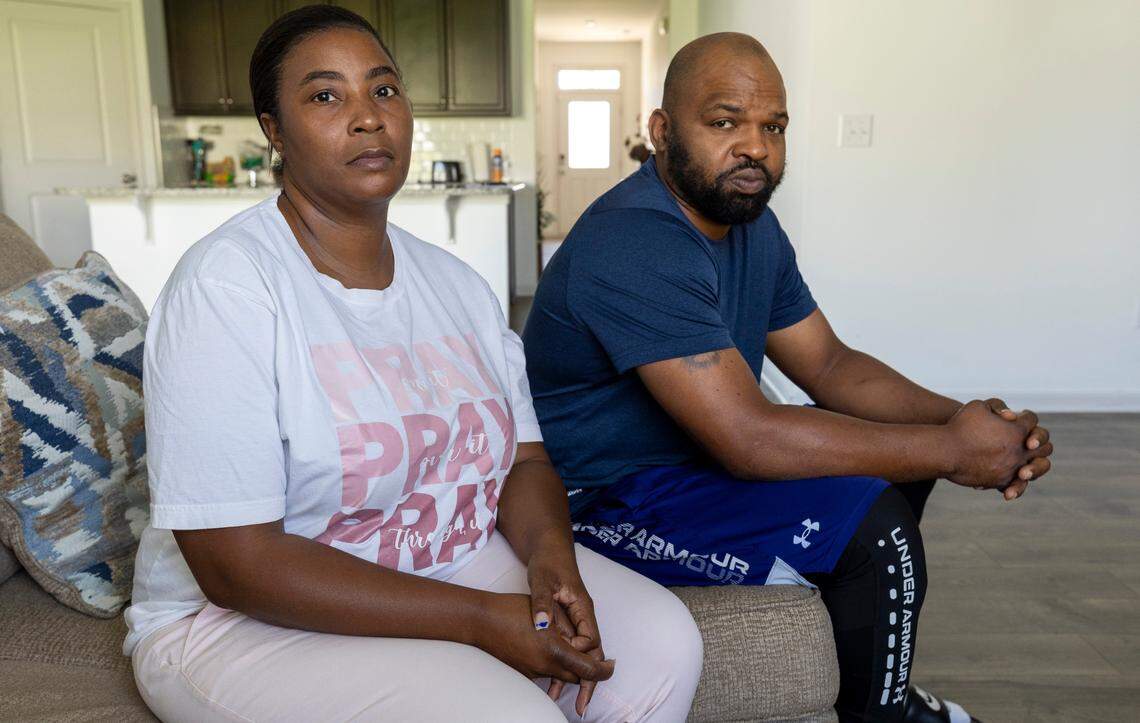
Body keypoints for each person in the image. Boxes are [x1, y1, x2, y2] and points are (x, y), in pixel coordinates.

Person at [123, 7, 702, 722]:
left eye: (384, 89)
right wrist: (479, 619)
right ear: (274, 130)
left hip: (448, 557)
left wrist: (553, 558)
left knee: (664, 645)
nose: (368, 117)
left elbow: (524, 462)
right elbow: (235, 564)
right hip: (238, 622)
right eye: (326, 95)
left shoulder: (459, 287)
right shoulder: (226, 289)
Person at [523, 32, 1055, 723]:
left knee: (900, 461)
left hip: (688, 473)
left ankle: (879, 690)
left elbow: (831, 364)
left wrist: (968, 423)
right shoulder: (635, 240)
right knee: (879, 528)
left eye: (773, 127)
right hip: (601, 503)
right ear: (661, 132)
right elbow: (749, 438)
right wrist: (955, 450)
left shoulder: (753, 227)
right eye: (725, 123)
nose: (756, 147)